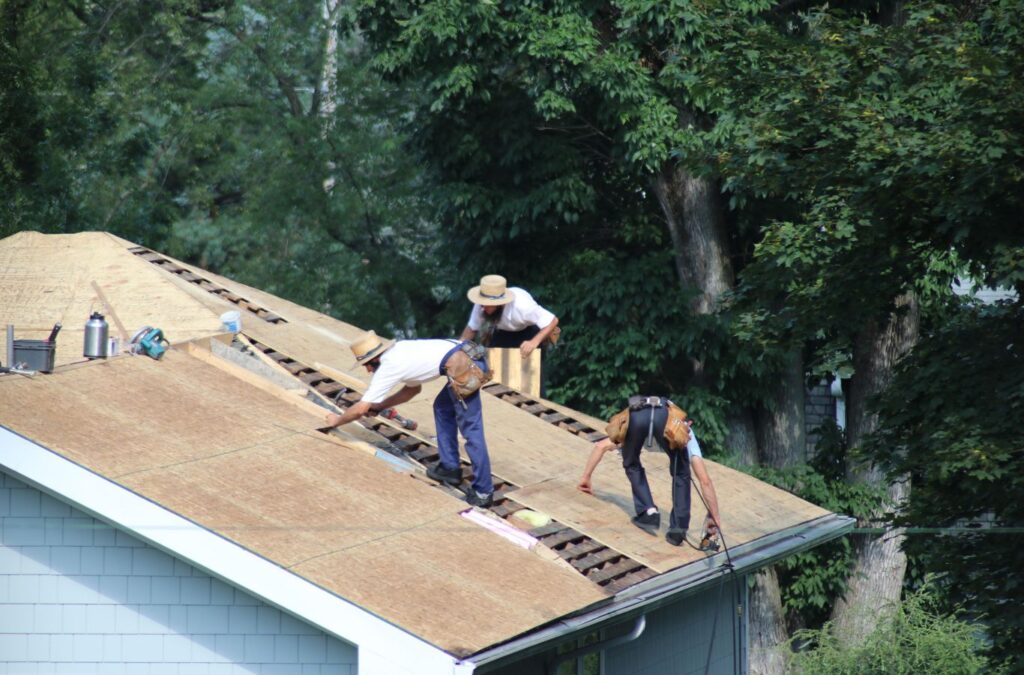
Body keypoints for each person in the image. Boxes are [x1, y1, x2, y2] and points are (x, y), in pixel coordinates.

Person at [325, 330, 495, 507]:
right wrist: (380, 406)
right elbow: (412, 390)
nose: (368, 371)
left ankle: (483, 492)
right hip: (467, 358)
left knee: (471, 430)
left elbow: (360, 408)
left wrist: (337, 420)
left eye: (366, 365)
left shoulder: (388, 366)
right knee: (443, 408)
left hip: (466, 366)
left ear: (375, 359)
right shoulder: (400, 351)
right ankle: (450, 468)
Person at [577, 396, 722, 547]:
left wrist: (585, 478)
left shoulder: (631, 424)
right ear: (688, 425)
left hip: (637, 416)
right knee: (681, 474)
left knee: (631, 463)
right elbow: (705, 481)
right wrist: (715, 517)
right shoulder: (685, 432)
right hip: (665, 420)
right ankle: (678, 530)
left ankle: (648, 511)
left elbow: (601, 446)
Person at [460, 274, 559, 359]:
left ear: (500, 304)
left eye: (486, 304)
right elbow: (472, 328)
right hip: (501, 333)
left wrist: (533, 342)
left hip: (528, 333)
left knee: (531, 372)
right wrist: (457, 348)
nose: (482, 308)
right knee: (494, 367)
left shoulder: (522, 306)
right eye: (481, 304)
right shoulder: (482, 304)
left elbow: (552, 320)